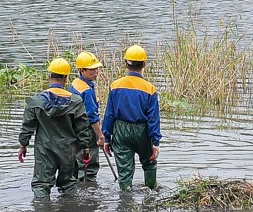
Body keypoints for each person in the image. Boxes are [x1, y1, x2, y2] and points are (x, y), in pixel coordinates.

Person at [17, 57, 89, 197]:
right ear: (66, 78)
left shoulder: (36, 101)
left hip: (44, 149)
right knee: (68, 184)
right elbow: (82, 129)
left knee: (41, 185)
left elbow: (27, 126)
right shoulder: (76, 101)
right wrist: (85, 148)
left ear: (49, 76)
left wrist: (23, 145)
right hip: (68, 149)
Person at [102, 44, 162, 191]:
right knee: (149, 163)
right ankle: (152, 193)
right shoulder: (150, 88)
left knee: (124, 171)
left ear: (125, 64)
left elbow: (109, 114)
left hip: (121, 131)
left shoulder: (115, 85)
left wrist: (107, 138)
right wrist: (155, 143)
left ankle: (126, 199)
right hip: (142, 131)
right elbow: (153, 119)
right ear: (144, 64)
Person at [71, 51, 107, 179]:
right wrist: (100, 136)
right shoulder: (86, 91)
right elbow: (92, 116)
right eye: (91, 69)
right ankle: (89, 192)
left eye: (96, 68)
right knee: (89, 166)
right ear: (82, 70)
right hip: (87, 132)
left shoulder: (75, 83)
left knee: (77, 164)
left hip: (74, 131)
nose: (96, 71)